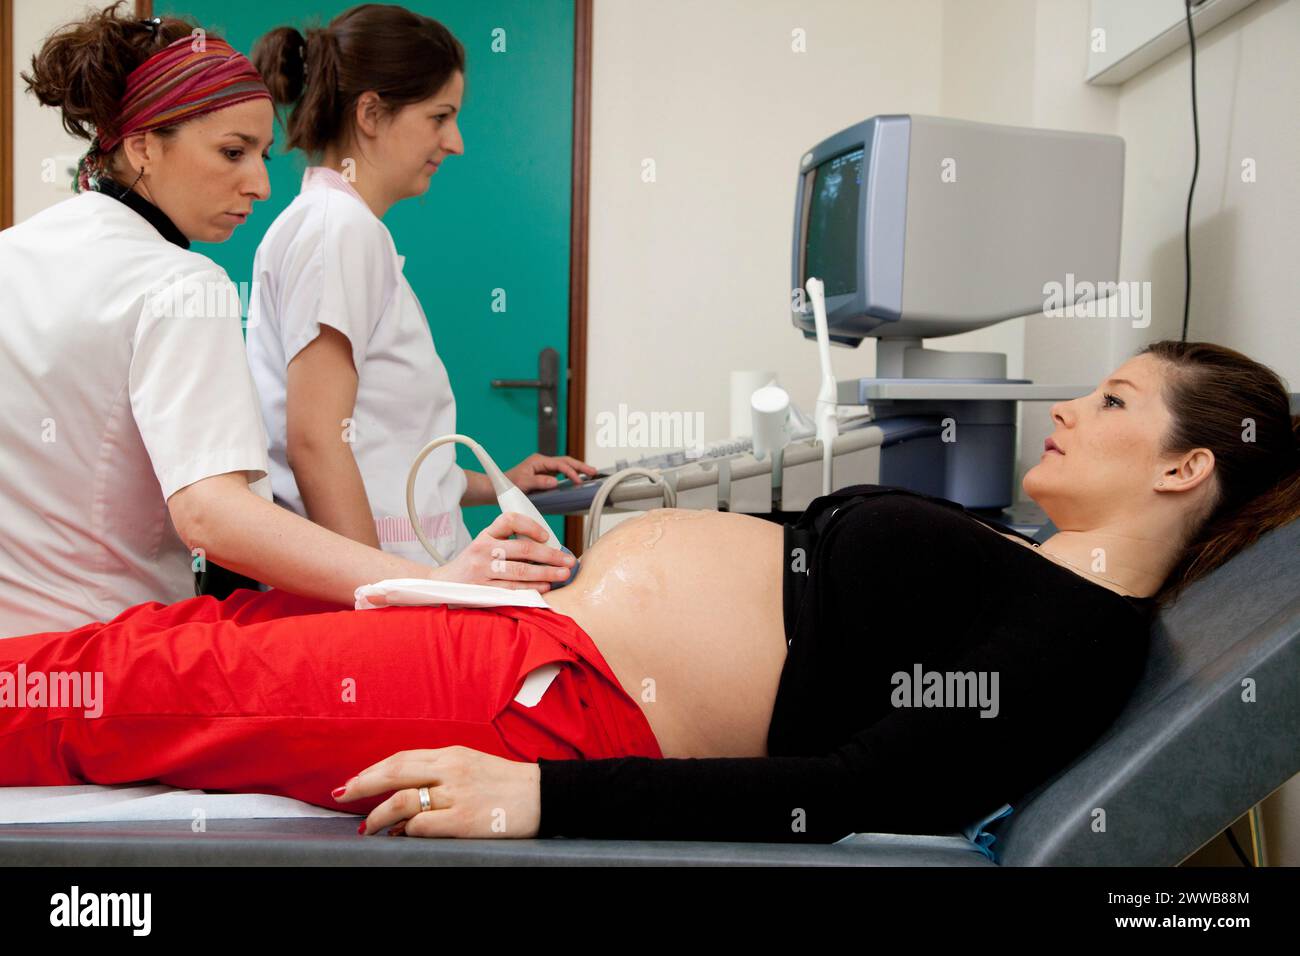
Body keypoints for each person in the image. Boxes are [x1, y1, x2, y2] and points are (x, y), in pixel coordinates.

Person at [2, 342, 1296, 842]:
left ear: (1187, 467)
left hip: (552, 707)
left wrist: (540, 795)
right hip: (534, 637)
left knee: (128, 689)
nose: (1071, 404)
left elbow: (858, 793)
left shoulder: (1077, 634)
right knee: (154, 640)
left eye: (1115, 401)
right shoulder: (1027, 563)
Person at [0, 4, 575, 638]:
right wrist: (411, 587)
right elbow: (215, 511)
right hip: (106, 652)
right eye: (231, 152)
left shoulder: (15, 253)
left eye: (262, 156)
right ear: (141, 146)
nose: (259, 185)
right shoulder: (182, 282)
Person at [245, 4, 596, 564]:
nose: (454, 141)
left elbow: (379, 444)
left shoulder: (337, 226)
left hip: (400, 573)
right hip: (381, 591)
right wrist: (376, 605)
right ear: (371, 113)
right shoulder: (340, 230)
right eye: (439, 117)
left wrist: (498, 482)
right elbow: (315, 442)